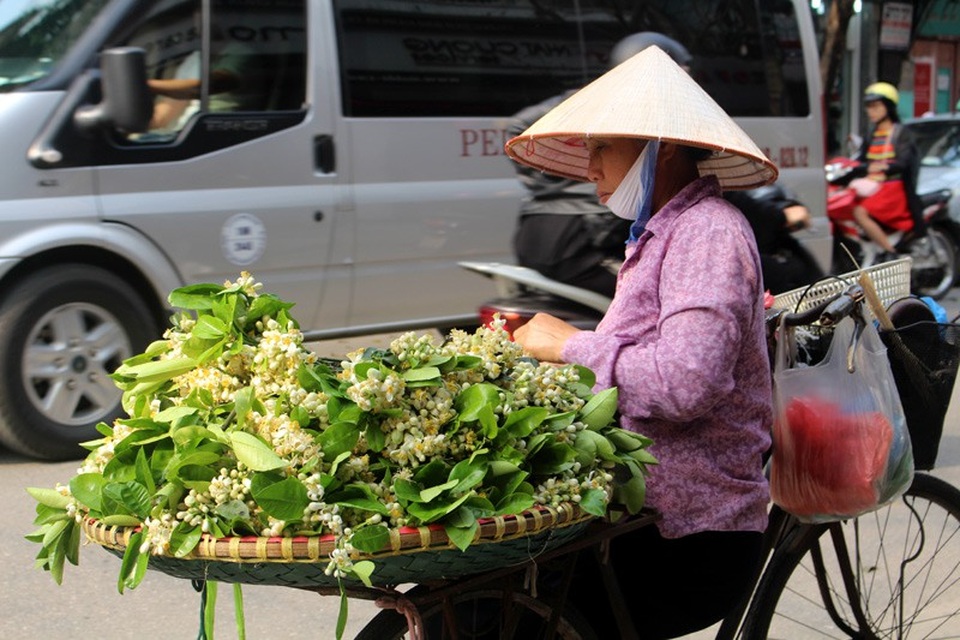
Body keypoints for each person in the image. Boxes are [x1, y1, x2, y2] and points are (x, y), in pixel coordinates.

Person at [504, 46, 776, 638]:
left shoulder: (708, 232)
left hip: (687, 531)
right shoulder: (659, 232)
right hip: (630, 507)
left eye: (602, 146)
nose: (591, 164)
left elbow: (684, 384)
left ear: (664, 144)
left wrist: (570, 346)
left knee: (507, 611)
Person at [844, 82, 923, 254]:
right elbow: (860, 160)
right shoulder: (871, 134)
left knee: (860, 212)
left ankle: (890, 251)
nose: (870, 111)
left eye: (875, 106)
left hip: (892, 189)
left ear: (888, 107)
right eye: (868, 107)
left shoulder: (900, 133)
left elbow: (902, 163)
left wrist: (882, 168)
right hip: (871, 187)